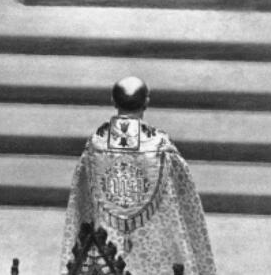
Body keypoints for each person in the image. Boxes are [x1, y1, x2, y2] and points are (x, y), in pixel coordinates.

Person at [60, 77, 216, 275]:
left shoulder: (95, 147)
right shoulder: (162, 147)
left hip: (106, 247)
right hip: (156, 247)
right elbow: (185, 203)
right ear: (147, 103)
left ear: (113, 102)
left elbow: (82, 206)